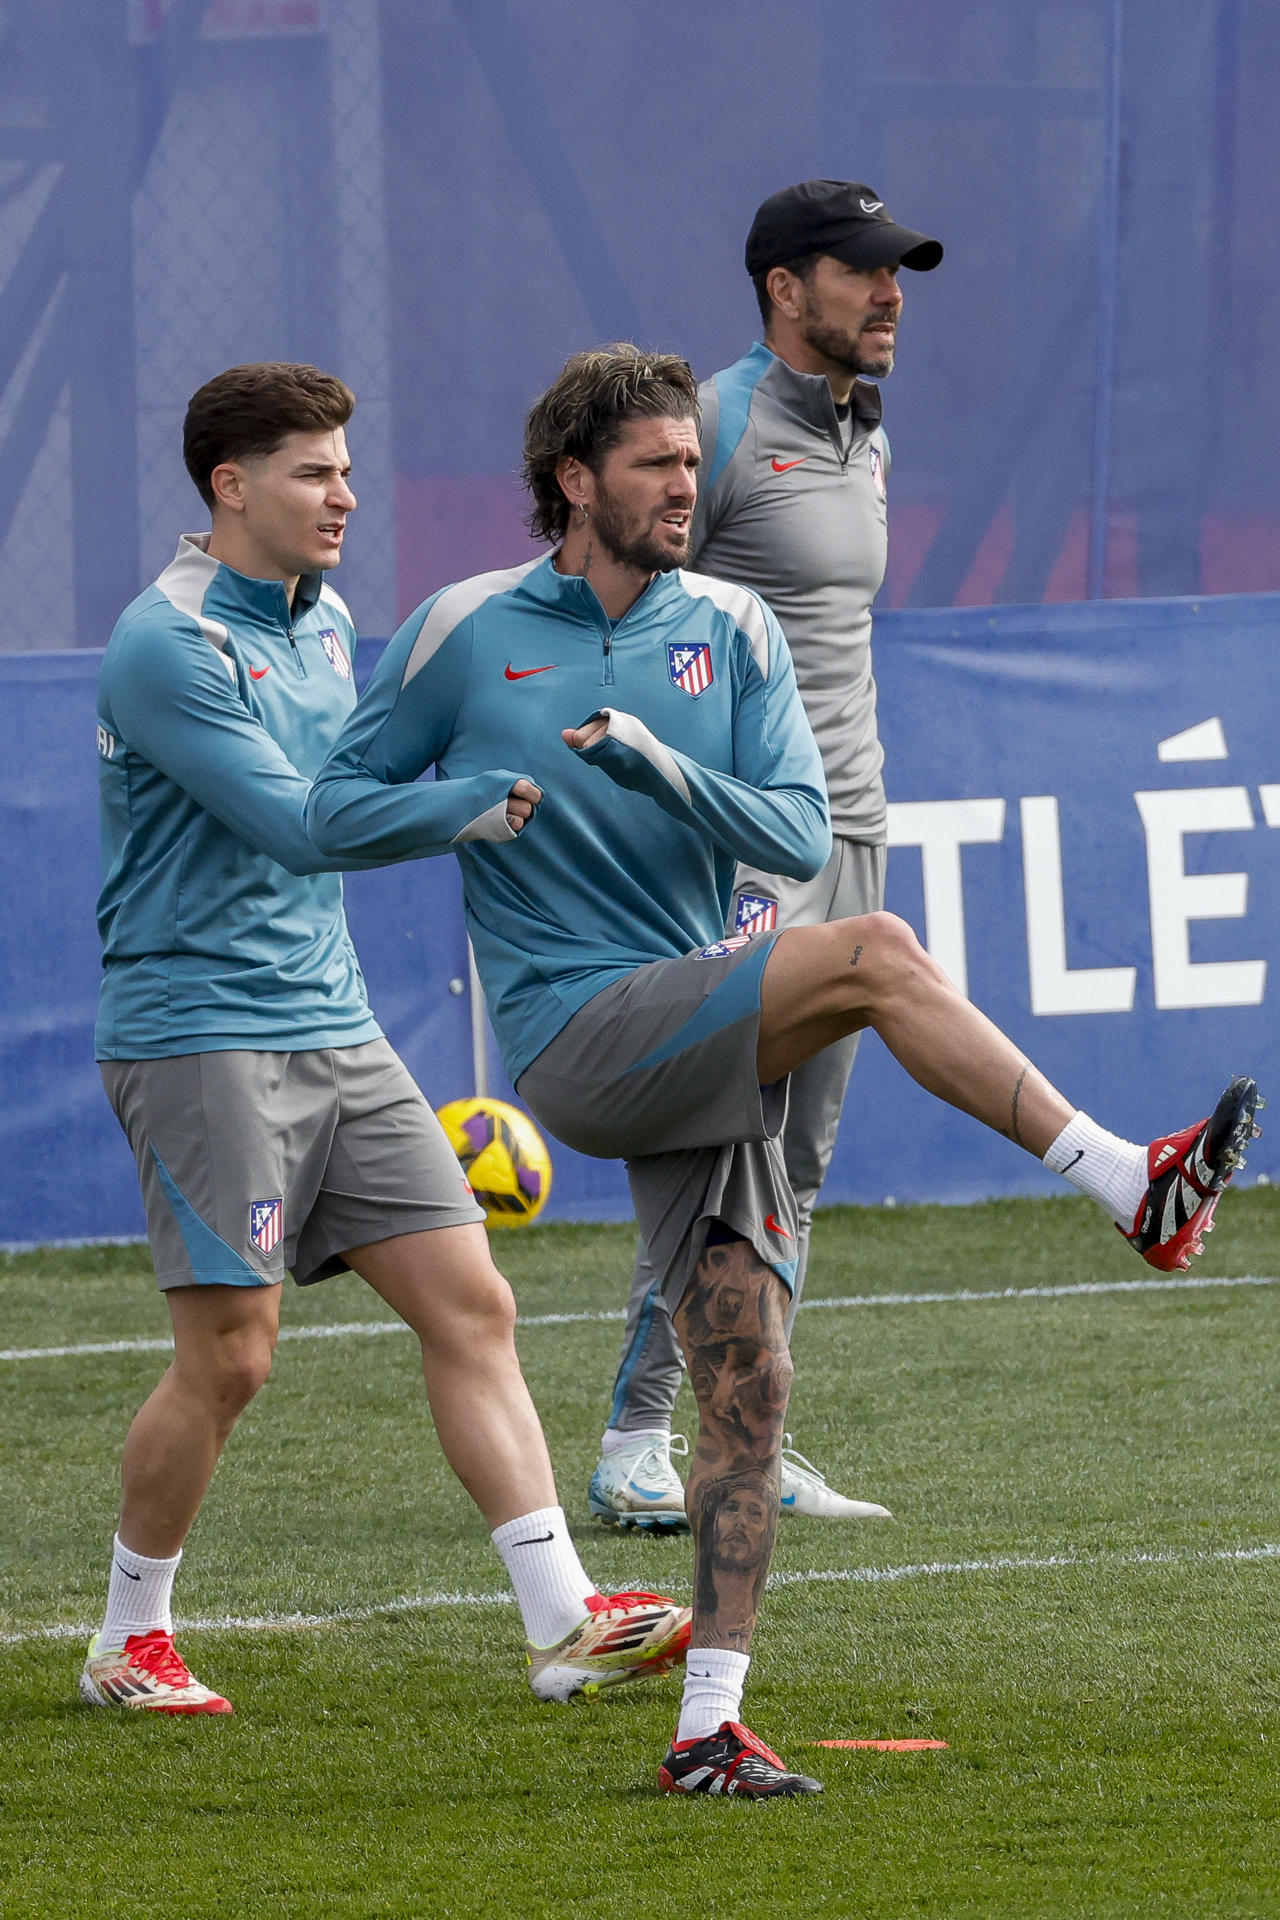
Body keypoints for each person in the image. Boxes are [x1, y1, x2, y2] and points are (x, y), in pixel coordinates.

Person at [306, 344, 1259, 1797]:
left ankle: (707, 1727)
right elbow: (332, 806)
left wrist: (653, 769)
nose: (689, 485)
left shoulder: (735, 629)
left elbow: (798, 833)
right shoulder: (463, 628)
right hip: (573, 1032)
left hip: (694, 1020)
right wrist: (467, 804)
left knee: (749, 1375)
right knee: (874, 953)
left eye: (695, 461)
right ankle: (1130, 1185)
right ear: (576, 481)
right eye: (656, 465)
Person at [82, 361, 689, 1718]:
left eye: (348, 467)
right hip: (201, 1033)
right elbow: (301, 821)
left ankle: (560, 1620)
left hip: (333, 1021)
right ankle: (129, 1636)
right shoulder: (166, 643)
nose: (344, 493)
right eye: (313, 471)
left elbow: (347, 788)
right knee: (234, 1355)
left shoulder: (325, 616)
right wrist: (474, 799)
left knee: (474, 1303)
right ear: (231, 487)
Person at [591, 179, 942, 1531]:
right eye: (865, 272)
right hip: (746, 848)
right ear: (786, 288)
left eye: (900, 272)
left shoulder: (865, 435)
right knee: (720, 1140)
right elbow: (616, 597)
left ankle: (752, 1420)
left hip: (855, 829)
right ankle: (634, 1441)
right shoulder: (720, 422)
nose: (892, 293)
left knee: (799, 1154)